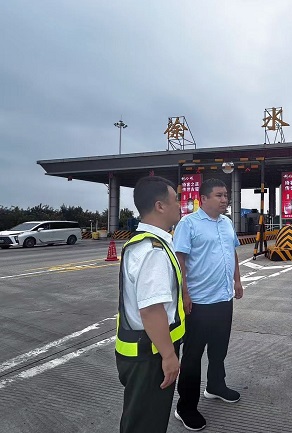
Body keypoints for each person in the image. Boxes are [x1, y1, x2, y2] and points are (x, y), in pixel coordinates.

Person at [173, 178, 243, 431]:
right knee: (192, 357)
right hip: (199, 303)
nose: (225, 199)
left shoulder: (226, 223)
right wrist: (185, 294)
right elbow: (180, 259)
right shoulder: (188, 224)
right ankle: (185, 407)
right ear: (203, 199)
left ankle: (215, 386)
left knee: (218, 349)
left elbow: (233, 252)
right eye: (219, 195)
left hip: (223, 299)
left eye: (226, 195)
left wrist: (237, 280)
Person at [115, 176, 184, 433]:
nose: (180, 205)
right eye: (175, 199)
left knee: (140, 419)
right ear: (160, 206)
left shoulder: (145, 243)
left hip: (143, 350)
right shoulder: (154, 251)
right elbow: (152, 309)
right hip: (151, 354)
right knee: (147, 424)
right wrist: (169, 355)